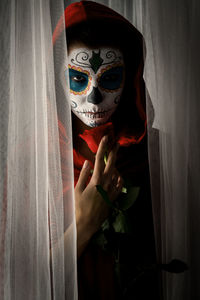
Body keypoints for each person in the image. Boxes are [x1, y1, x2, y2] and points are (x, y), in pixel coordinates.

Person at [55, 1, 160, 299]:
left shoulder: (156, 152)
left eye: (110, 77)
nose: (95, 97)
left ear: (131, 76)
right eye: (77, 78)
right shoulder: (33, 161)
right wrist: (85, 224)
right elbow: (19, 276)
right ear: (56, 80)